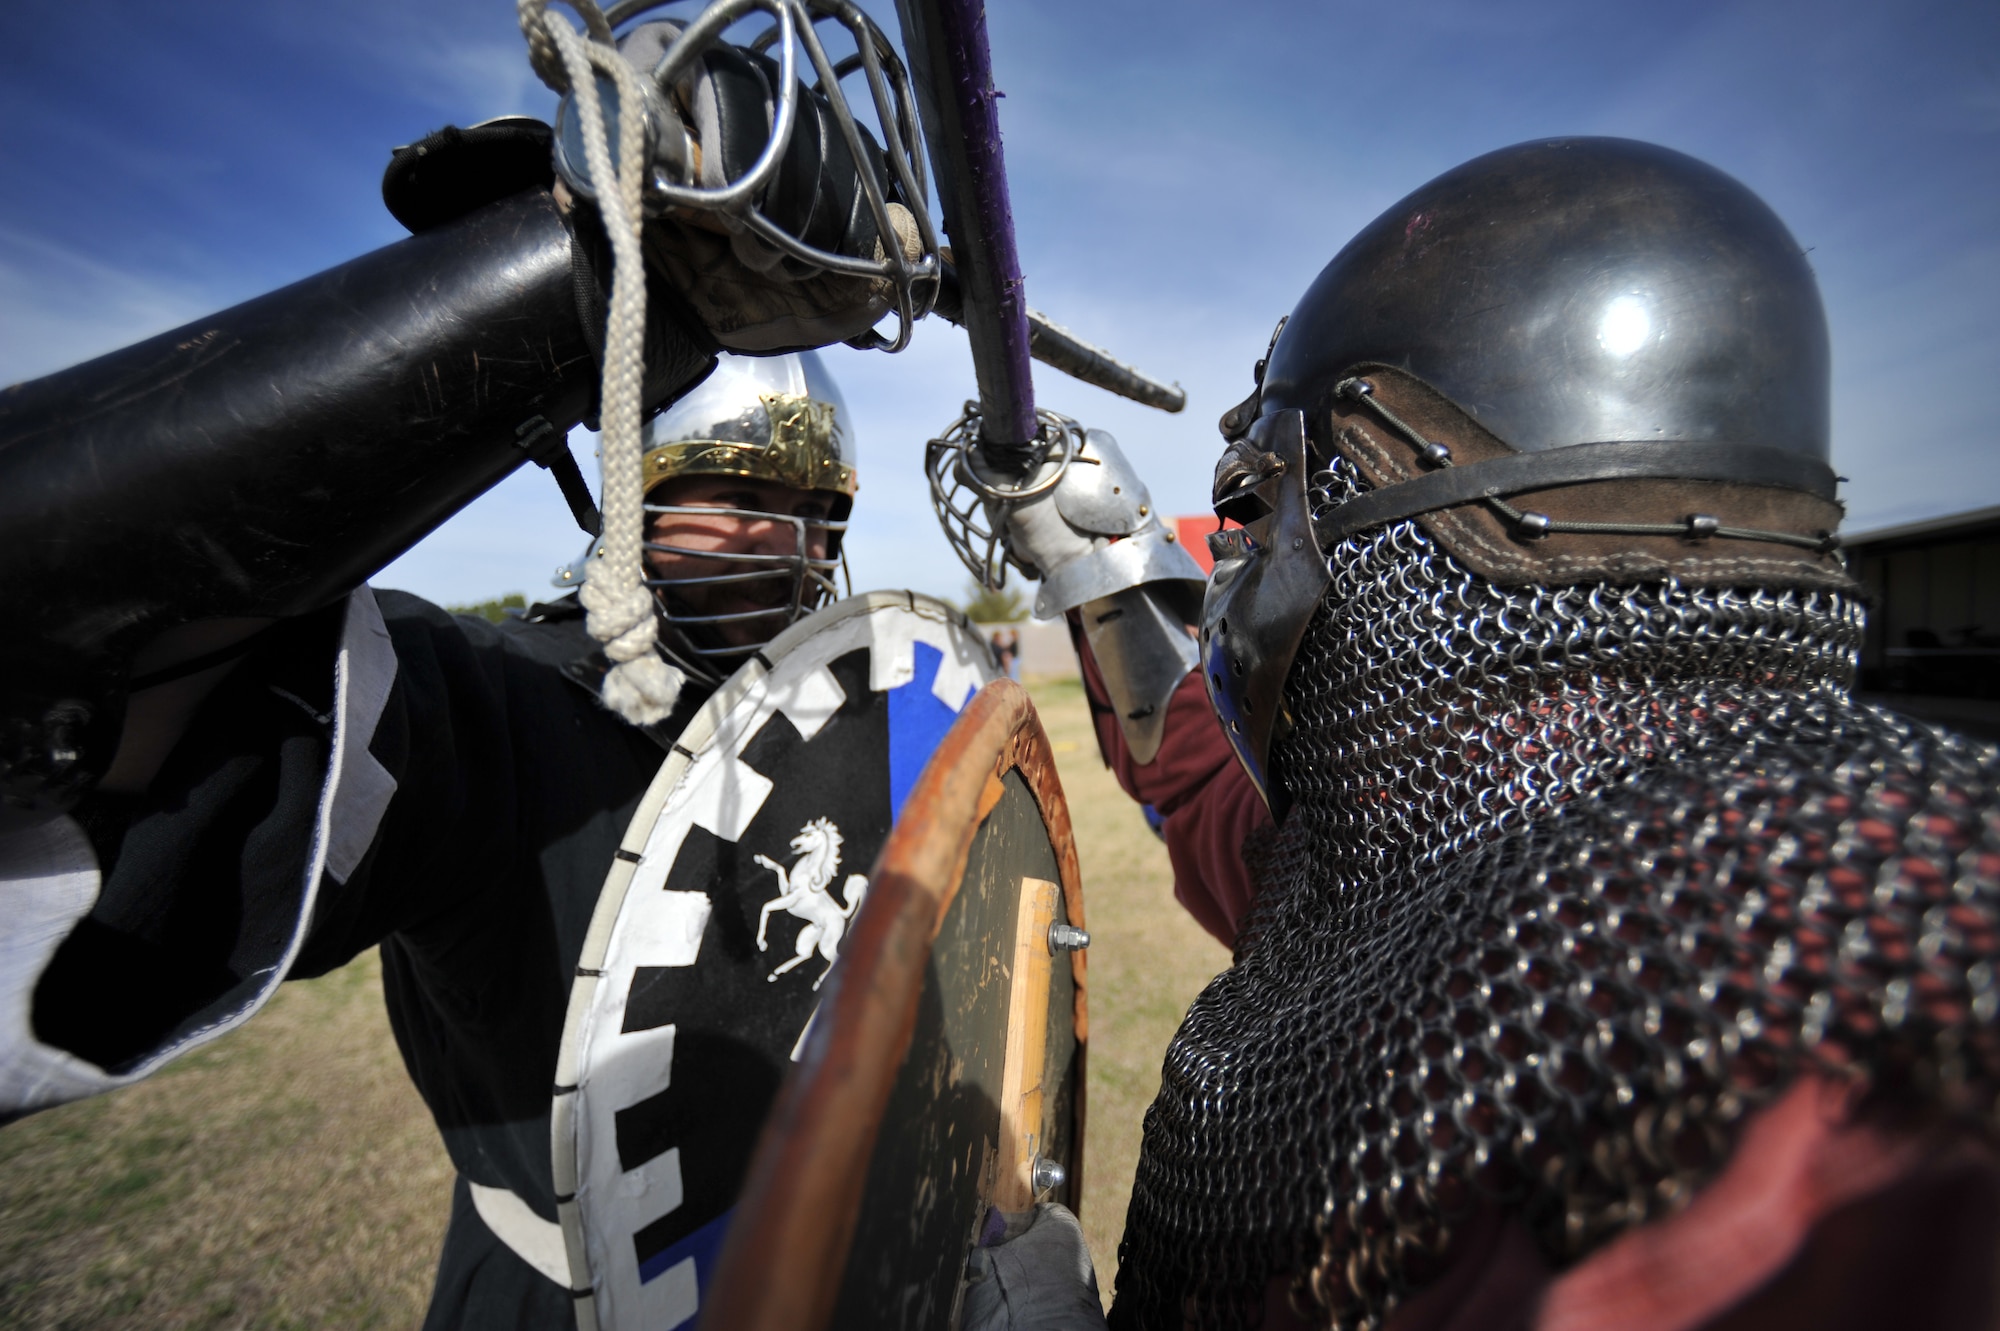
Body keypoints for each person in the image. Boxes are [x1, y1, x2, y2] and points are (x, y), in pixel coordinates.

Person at [964, 138, 2000, 1329]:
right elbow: (1219, 797)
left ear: (1409, 511)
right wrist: (1102, 562)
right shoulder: (1425, 835)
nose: (1234, 562)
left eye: (1257, 510)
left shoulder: (1863, 1029)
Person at [0, 21, 919, 1329]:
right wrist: (553, 288)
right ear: (629, 497)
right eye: (737, 494)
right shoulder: (486, 702)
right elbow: (129, 718)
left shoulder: (833, 708)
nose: (792, 541)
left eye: (817, 511)